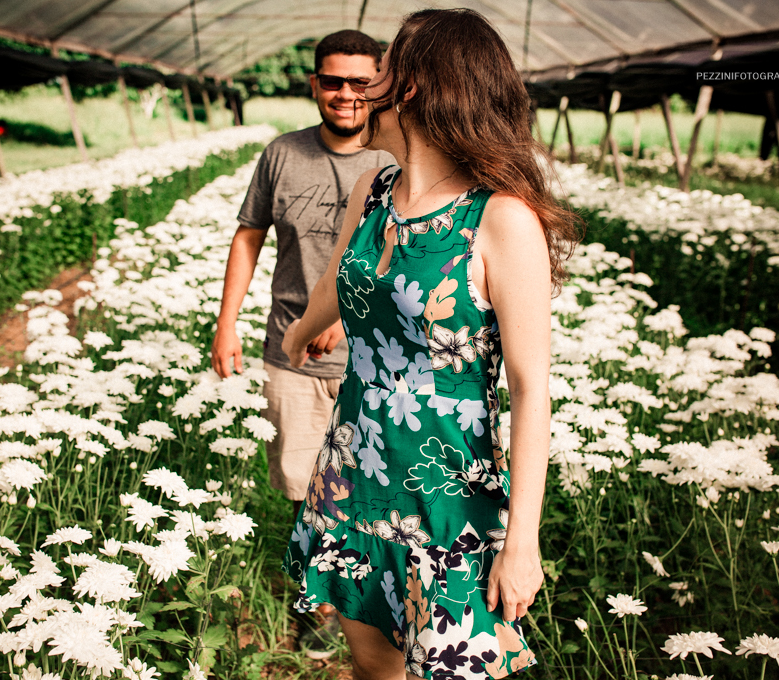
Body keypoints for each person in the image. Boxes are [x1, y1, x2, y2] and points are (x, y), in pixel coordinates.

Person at [281, 9, 581, 680]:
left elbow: (531, 390)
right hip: (352, 474)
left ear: (411, 86)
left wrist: (523, 541)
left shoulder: (500, 219)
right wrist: (298, 333)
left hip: (447, 502)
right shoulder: (374, 190)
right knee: (373, 669)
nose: (364, 87)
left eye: (381, 71)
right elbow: (337, 278)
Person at [211, 29, 394, 658]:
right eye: (332, 81)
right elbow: (249, 235)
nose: (346, 94)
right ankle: (318, 606)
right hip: (291, 354)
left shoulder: (397, 158)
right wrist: (227, 322)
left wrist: (349, 315)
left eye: (360, 82)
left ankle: (373, 604)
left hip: (378, 361)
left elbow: (413, 254)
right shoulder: (282, 154)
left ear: (380, 85)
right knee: (307, 487)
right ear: (315, 84)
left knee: (374, 488)